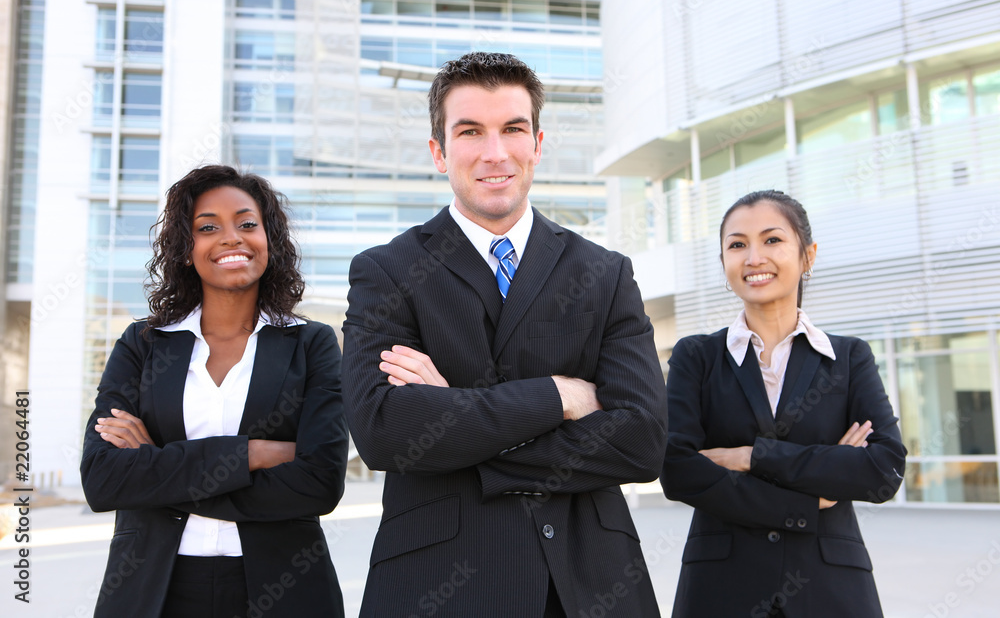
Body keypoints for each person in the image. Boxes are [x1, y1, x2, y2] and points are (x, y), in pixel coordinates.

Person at [342, 52, 667, 617]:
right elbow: (384, 433)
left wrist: (454, 417)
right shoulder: (387, 271)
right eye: (470, 132)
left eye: (513, 129)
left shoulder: (604, 272)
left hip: (587, 585)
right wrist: (559, 397)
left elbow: (642, 442)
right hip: (436, 586)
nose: (495, 153)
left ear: (537, 144)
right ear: (439, 152)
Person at [80, 165, 348, 618]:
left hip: (285, 588)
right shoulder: (142, 345)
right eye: (208, 227)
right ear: (187, 249)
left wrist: (156, 469)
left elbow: (320, 482)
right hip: (153, 591)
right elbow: (104, 478)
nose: (231, 238)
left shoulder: (312, 343)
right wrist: (253, 454)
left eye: (247, 224)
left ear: (269, 241)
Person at [660, 190, 907, 617]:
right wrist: (813, 494)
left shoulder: (848, 358)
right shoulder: (695, 356)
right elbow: (679, 471)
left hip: (829, 588)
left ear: (807, 255)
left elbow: (883, 470)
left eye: (772, 240)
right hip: (721, 589)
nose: (754, 257)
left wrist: (752, 456)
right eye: (737, 245)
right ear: (724, 263)